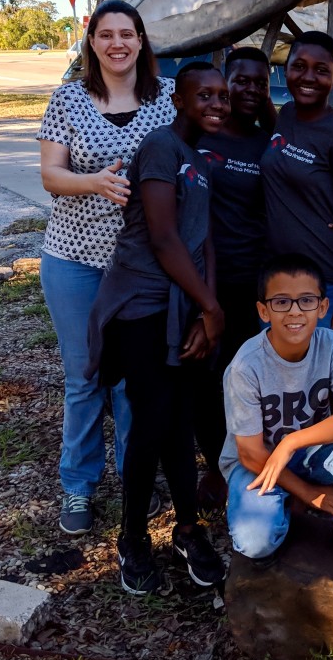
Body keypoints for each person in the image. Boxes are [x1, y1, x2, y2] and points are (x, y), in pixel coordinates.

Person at [87, 62, 230, 595]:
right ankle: (131, 538)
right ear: (179, 101)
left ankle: (188, 528)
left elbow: (203, 241)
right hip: (142, 304)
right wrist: (211, 309)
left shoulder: (200, 160)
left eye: (222, 95)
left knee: (180, 420)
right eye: (204, 96)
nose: (216, 103)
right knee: (151, 422)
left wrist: (205, 310)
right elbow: (166, 240)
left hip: (183, 305)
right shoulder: (160, 147)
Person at [37, 0, 175, 536]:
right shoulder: (69, 99)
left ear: (142, 40)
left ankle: (134, 476)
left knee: (135, 380)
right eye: (106, 35)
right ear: (92, 43)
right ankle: (77, 486)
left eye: (127, 33)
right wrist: (93, 182)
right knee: (85, 376)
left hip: (141, 266)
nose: (117, 43)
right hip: (73, 260)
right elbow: (51, 175)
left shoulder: (167, 99)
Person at [219, 253, 333, 584]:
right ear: (263, 311)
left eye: (306, 300)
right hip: (259, 462)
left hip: (311, 453)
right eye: (282, 301)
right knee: (256, 544)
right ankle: (283, 508)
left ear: (322, 308)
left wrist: (292, 442)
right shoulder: (246, 365)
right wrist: (309, 493)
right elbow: (250, 453)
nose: (295, 311)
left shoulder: (331, 344)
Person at [259, 31, 333, 365]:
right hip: (280, 283)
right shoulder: (287, 116)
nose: (308, 77)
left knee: (326, 389)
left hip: (328, 286)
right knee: (284, 385)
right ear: (287, 68)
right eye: (299, 66)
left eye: (321, 70)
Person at [194, 46, 276, 510]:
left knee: (246, 376)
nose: (248, 89)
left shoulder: (269, 140)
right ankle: (214, 464)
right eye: (240, 81)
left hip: (254, 282)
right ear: (225, 83)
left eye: (259, 82)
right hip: (205, 282)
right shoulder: (203, 135)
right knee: (207, 377)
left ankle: (249, 458)